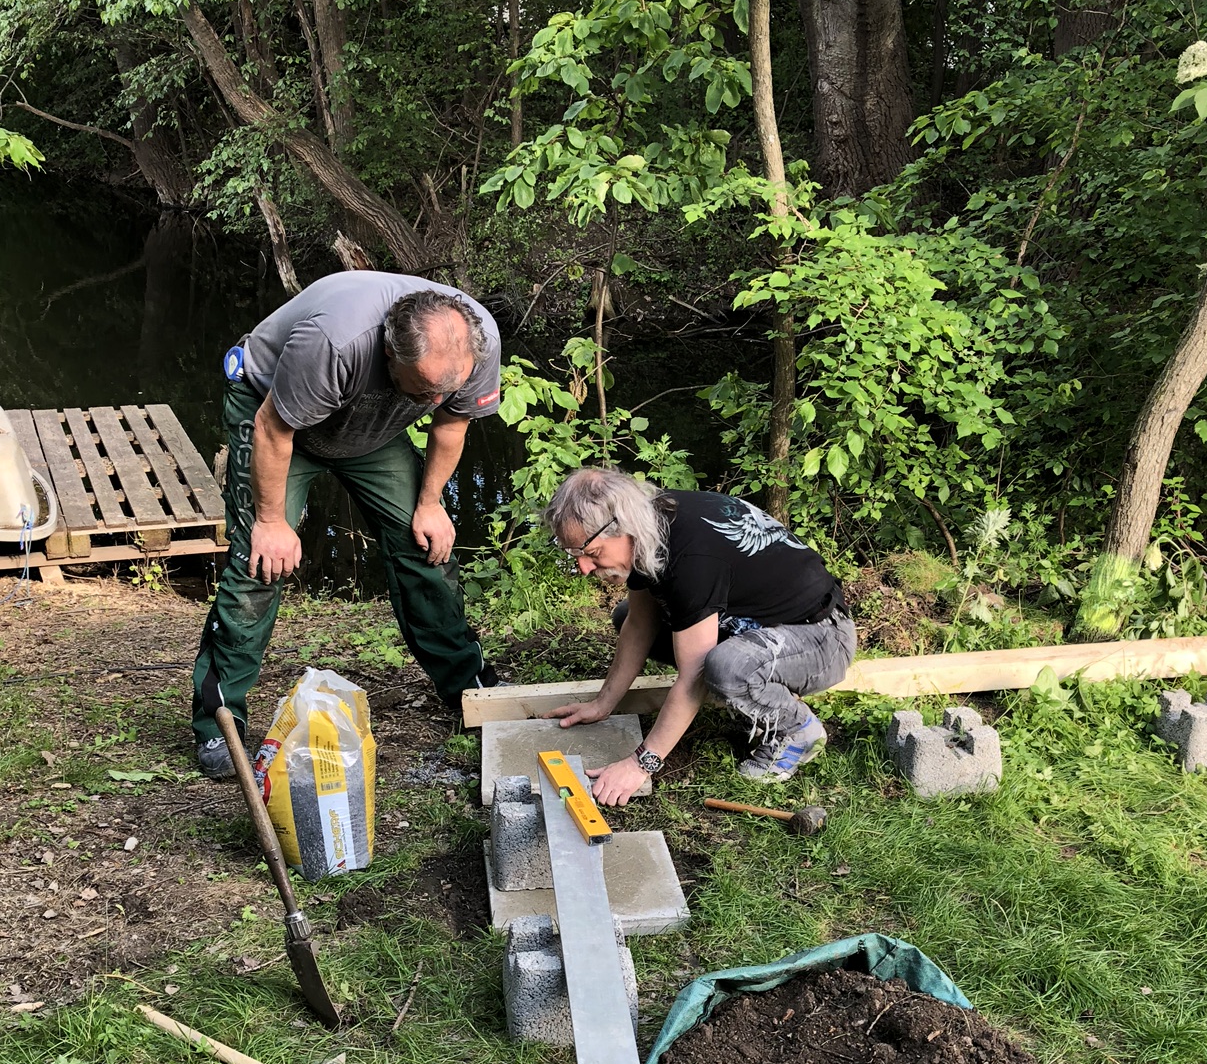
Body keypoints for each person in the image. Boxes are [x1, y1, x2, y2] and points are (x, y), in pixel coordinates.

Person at [191, 272, 500, 777]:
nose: (436, 401)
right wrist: (270, 521)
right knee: (259, 564)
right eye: (426, 389)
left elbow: (451, 423)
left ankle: (470, 690)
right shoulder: (335, 341)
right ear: (389, 351)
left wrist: (430, 503)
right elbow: (273, 428)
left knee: (424, 544)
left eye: (447, 389)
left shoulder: (478, 339)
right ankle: (218, 723)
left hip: (371, 431)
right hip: (275, 415)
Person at [546, 468, 856, 801]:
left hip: (821, 637)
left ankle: (797, 730)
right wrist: (602, 704)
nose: (584, 568)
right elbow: (639, 624)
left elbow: (693, 677)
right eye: (577, 556)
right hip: (762, 625)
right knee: (625, 617)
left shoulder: (691, 557)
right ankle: (755, 686)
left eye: (592, 553)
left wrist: (639, 765)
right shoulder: (648, 527)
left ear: (623, 527)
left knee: (725, 668)